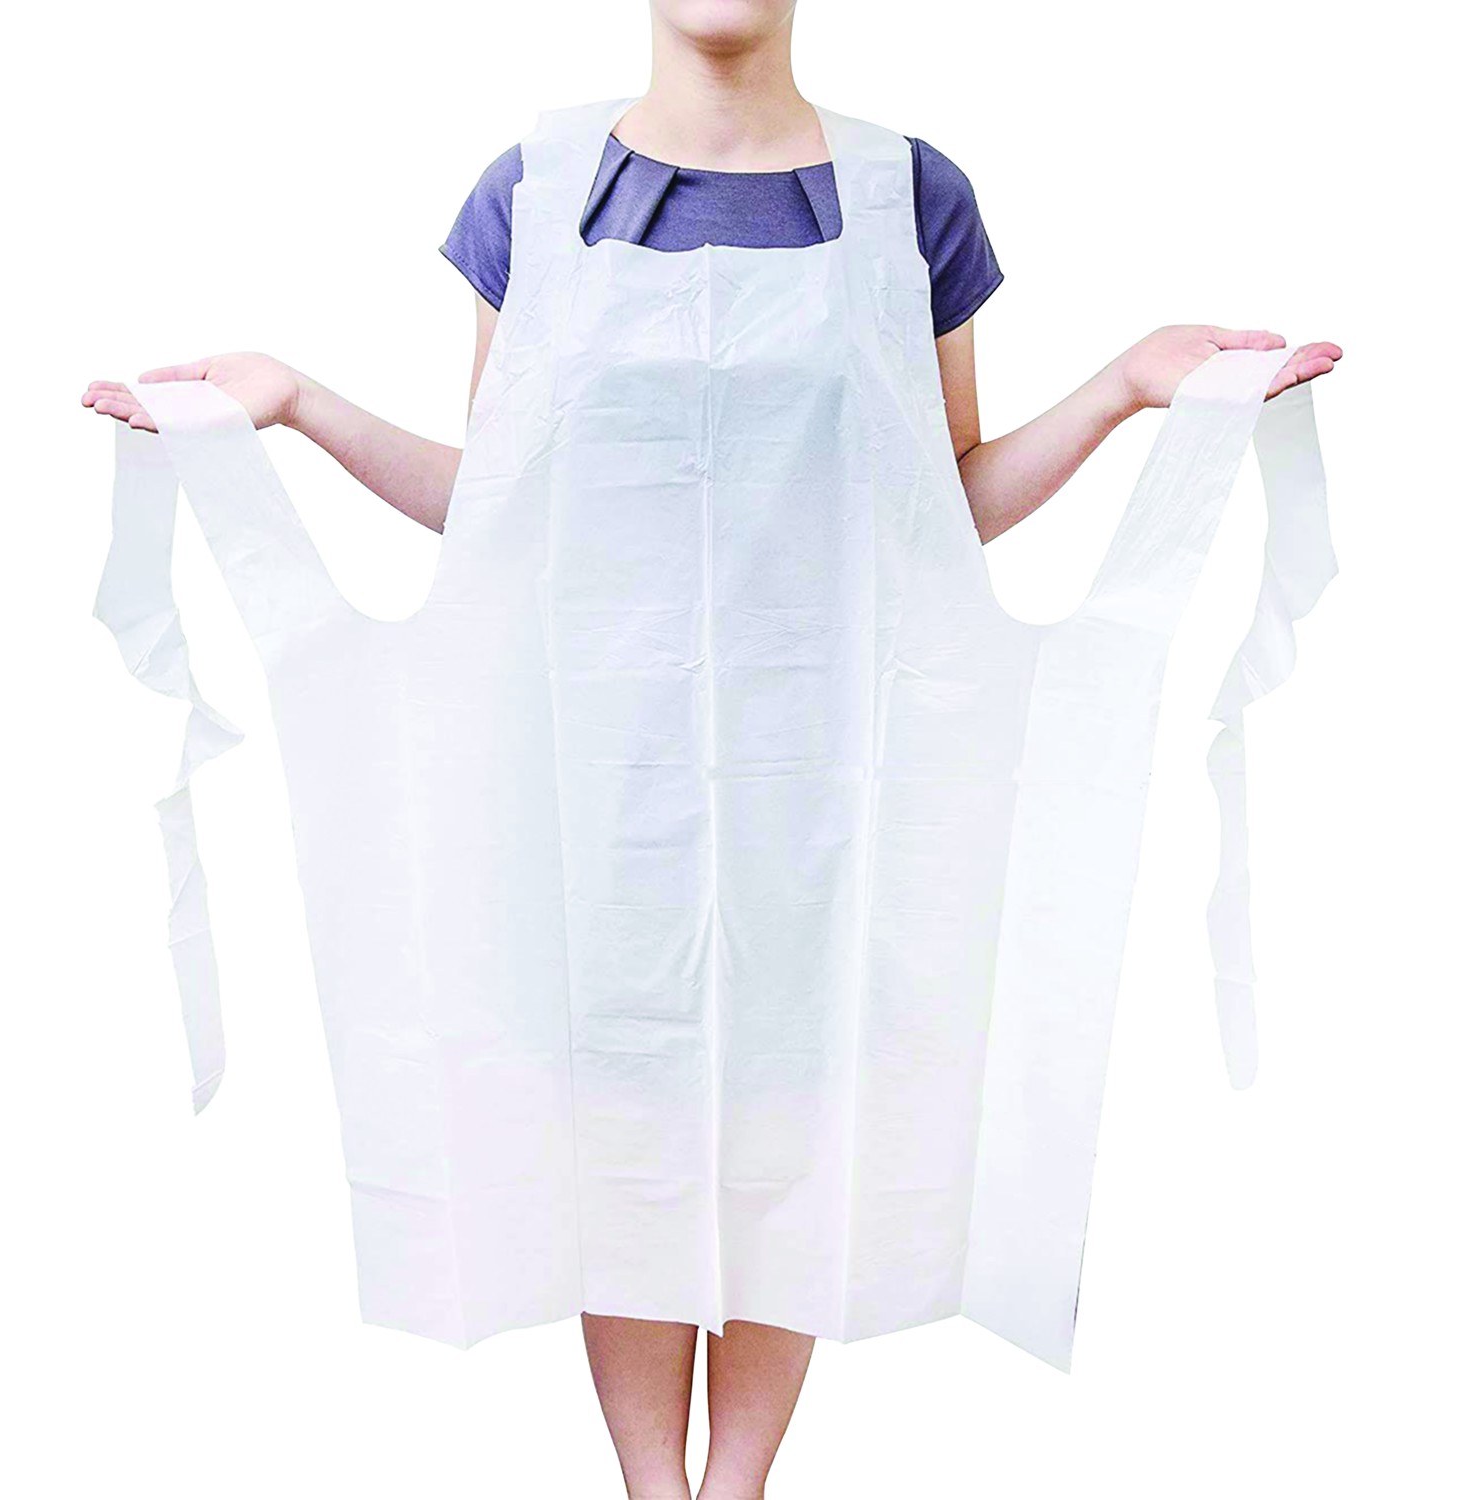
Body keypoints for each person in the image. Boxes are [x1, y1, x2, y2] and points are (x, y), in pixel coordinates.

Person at [83, 4, 1340, 1497]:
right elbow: (503, 512)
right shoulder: (537, 191)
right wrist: (294, 406)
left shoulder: (912, 197)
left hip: (827, 777)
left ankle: (734, 1490)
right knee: (625, 1123)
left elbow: (937, 509)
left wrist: (1125, 388)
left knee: (789, 1124)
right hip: (592, 776)